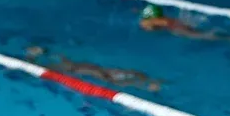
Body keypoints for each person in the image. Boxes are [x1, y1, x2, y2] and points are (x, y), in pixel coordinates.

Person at [25, 46, 162, 92]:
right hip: (91, 69)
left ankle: (146, 84)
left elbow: (33, 68)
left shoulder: (56, 66)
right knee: (116, 77)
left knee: (114, 81)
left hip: (89, 70)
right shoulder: (58, 63)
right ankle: (148, 83)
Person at [139, 4, 230, 45]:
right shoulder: (160, 19)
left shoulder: (159, 21)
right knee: (201, 34)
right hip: (177, 25)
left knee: (202, 36)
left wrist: (147, 24)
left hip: (178, 29)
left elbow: (150, 24)